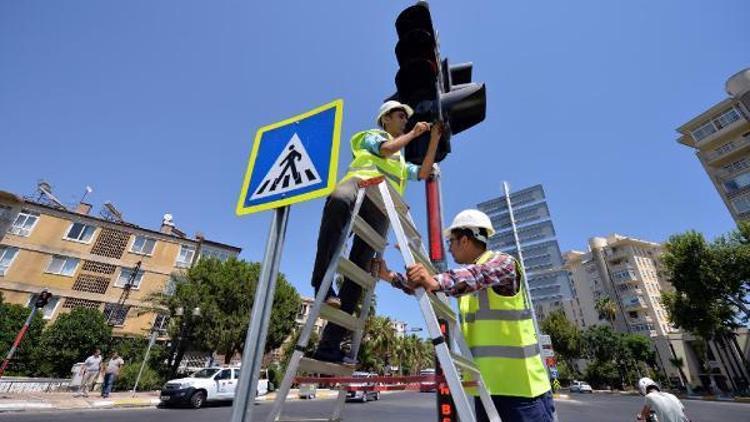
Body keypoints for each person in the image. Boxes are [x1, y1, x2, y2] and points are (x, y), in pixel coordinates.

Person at [374, 209, 556, 422]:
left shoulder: (502, 263)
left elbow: (477, 276)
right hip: (487, 389)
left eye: (451, 241)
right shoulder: (465, 282)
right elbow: (431, 288)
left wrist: (435, 281)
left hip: (523, 392)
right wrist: (389, 277)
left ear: (465, 240)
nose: (449, 248)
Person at [310, 100, 443, 364]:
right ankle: (321, 284)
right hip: (359, 186)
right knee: (338, 200)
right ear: (385, 119)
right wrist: (414, 133)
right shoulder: (372, 136)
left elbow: (424, 171)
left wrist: (434, 140)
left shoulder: (401, 163)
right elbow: (385, 149)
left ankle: (329, 345)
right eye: (400, 115)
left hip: (381, 207)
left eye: (407, 117)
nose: (405, 119)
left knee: (359, 273)